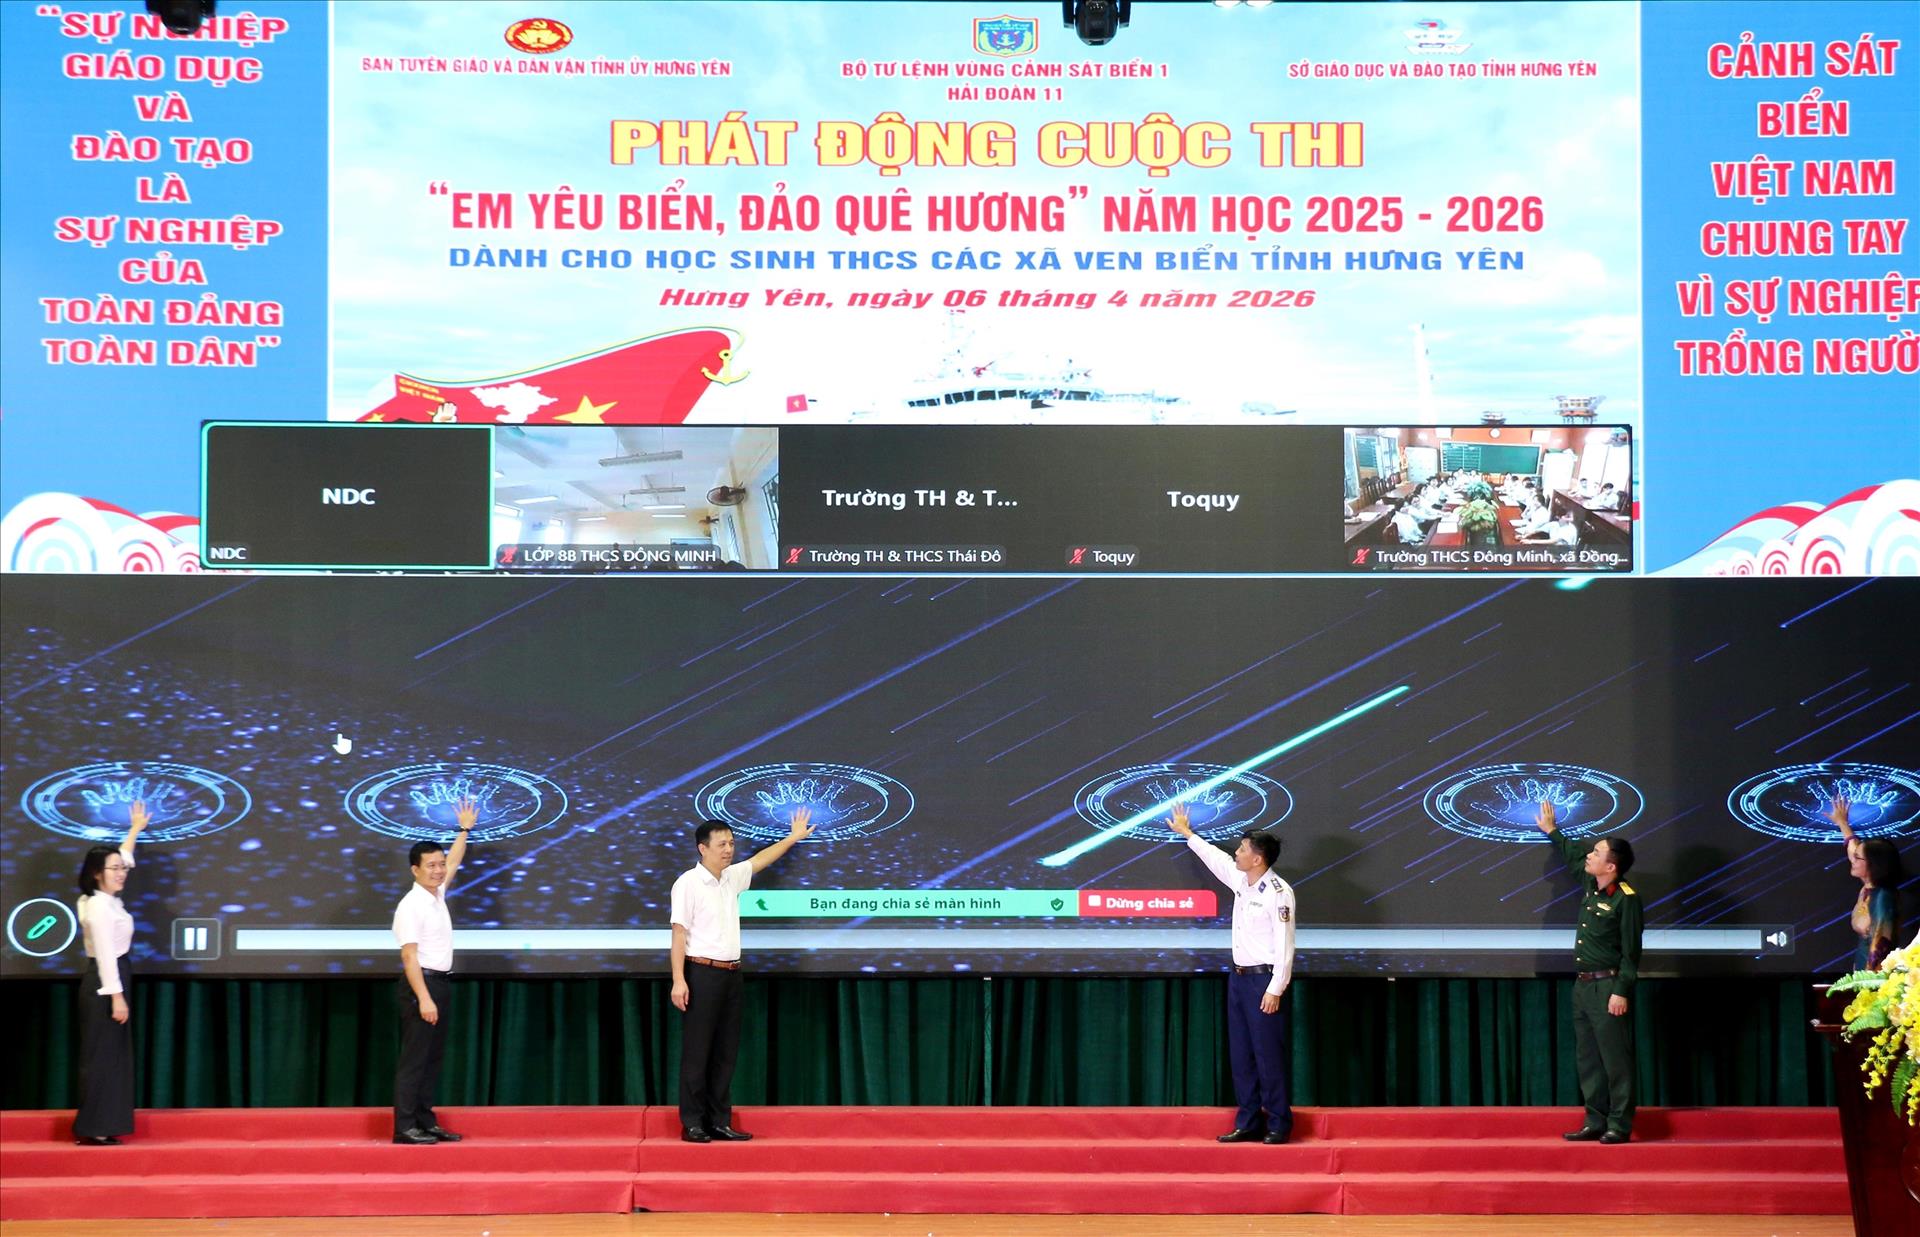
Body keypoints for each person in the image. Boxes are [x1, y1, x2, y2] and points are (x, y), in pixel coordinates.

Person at [671, 809, 816, 1143]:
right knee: (698, 1052)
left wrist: (793, 838)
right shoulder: (688, 883)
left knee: (726, 1052)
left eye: (731, 843)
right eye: (721, 844)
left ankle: (719, 1120)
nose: (728, 849)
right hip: (701, 973)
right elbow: (679, 934)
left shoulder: (732, 878)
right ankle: (693, 1123)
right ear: (702, 848)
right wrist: (679, 979)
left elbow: (761, 860)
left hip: (732, 974)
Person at [1169, 804, 1296, 1145]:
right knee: (1242, 1055)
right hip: (1238, 979)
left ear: (1258, 858)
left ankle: (1279, 1123)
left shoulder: (1279, 893)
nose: (1236, 853)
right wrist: (1187, 833)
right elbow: (1216, 859)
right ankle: (1249, 1121)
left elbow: (1285, 945)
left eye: (1242, 849)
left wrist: (1276, 988)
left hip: (1263, 981)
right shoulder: (1241, 881)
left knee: (1267, 1055)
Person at [1535, 801, 1641, 1144]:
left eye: (1596, 853)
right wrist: (1553, 831)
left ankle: (1619, 1125)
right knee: (1588, 1059)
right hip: (1582, 987)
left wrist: (1621, 990)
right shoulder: (1590, 884)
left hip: (1608, 987)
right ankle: (1594, 1120)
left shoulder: (1626, 898)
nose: (1589, 856)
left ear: (1611, 866)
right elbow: (1572, 855)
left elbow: (1631, 953)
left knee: (1616, 1060)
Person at [391, 796, 475, 1145]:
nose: (439, 870)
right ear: (415, 870)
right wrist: (424, 999)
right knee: (415, 1061)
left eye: (440, 864)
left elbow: (455, 860)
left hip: (439, 984)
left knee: (431, 1060)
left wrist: (463, 831)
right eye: (431, 866)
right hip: (421, 987)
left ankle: (425, 1122)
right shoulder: (411, 905)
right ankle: (404, 1127)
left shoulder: (436, 894)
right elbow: (409, 957)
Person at [73, 801, 148, 1146]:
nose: (122, 872)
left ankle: (101, 1125)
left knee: (110, 1056)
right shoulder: (99, 907)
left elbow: (124, 857)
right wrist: (116, 997)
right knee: (103, 1057)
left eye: (122, 868)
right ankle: (94, 1127)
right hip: (106, 982)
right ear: (96, 873)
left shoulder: (102, 899)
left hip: (111, 979)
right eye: (115, 869)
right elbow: (105, 955)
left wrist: (134, 830)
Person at [1825, 797, 1903, 971]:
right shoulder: (1868, 886)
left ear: (1873, 865)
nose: (1852, 860)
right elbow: (1853, 848)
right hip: (1861, 967)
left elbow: (1880, 947)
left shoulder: (1882, 898)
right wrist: (1842, 822)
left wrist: (1868, 981)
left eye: (1858, 858)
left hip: (1874, 974)